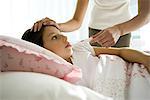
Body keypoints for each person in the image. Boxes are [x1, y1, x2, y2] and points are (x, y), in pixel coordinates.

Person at [22, 24, 150, 99]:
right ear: (42, 50)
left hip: (137, 68)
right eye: (55, 37)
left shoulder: (79, 48)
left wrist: (145, 58)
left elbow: (121, 52)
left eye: (60, 33)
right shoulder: (57, 81)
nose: (65, 36)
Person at [31, 0, 150, 47]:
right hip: (95, 32)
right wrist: (57, 26)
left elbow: (146, 15)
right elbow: (76, 21)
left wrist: (119, 30)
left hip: (124, 31)